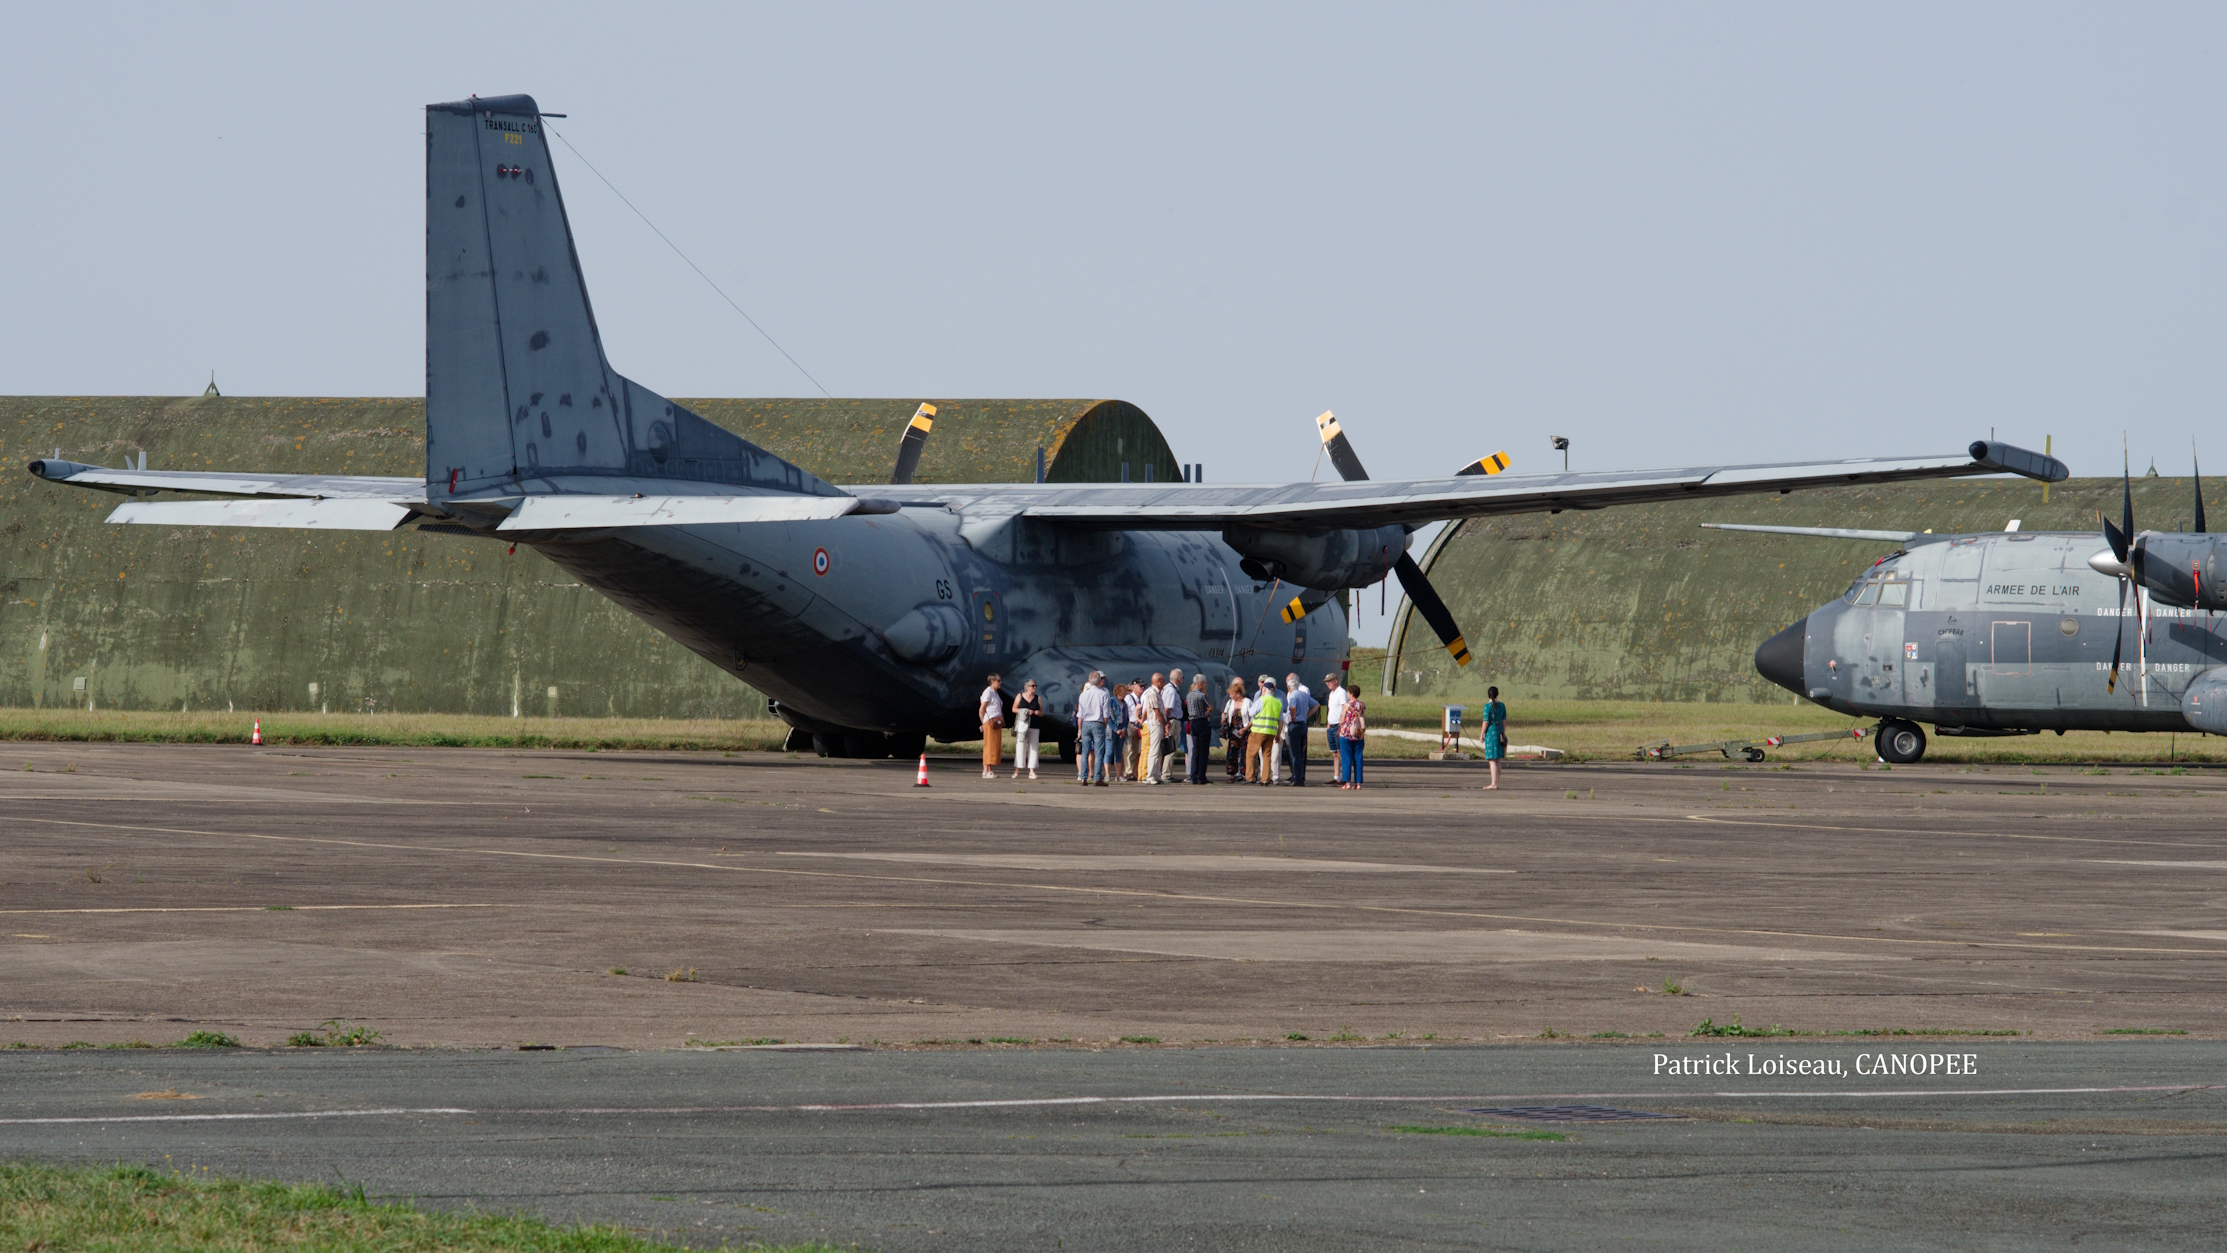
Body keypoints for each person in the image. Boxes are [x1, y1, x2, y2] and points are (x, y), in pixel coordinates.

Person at [1075, 671, 1111, 786]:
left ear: (1089, 680)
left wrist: (1079, 729)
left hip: (1086, 723)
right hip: (1097, 722)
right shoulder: (1103, 694)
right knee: (1099, 752)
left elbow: (1080, 715)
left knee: (1085, 752)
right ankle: (1097, 778)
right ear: (1099, 680)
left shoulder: (1083, 695)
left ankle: (1083, 777)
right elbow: (1106, 714)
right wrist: (1104, 726)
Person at [1246, 676, 1283, 785]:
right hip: (1271, 732)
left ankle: (1249, 777)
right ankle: (1265, 779)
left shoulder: (1261, 700)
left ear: (1264, 690)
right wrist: (1278, 734)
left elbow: (1251, 712)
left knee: (1251, 754)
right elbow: (1281, 720)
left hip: (1258, 731)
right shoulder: (1278, 703)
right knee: (1267, 755)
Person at [1282, 672, 1317, 787]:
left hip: (1295, 725)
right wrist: (1306, 715)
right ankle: (1301, 777)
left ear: (1288, 687)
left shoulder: (1293, 695)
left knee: (1295, 753)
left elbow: (1292, 707)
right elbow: (1316, 705)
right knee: (1301, 753)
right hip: (1303, 724)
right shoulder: (1304, 694)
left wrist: (1292, 717)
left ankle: (1297, 778)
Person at [1009, 679, 1043, 780]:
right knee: (1020, 746)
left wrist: (1037, 713)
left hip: (1034, 725)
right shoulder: (1020, 696)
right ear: (1026, 687)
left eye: (1035, 686)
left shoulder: (1038, 698)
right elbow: (1014, 709)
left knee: (1034, 748)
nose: (1034, 688)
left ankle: (1032, 771)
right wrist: (1025, 711)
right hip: (1022, 724)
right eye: (1032, 686)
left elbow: (1042, 712)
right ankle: (1017, 770)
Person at [1184, 675, 1214, 783]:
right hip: (1202, 722)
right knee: (1203, 750)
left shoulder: (1189, 695)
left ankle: (1193, 775)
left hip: (1192, 722)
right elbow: (1210, 706)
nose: (1206, 685)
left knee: (1195, 749)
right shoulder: (1202, 695)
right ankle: (1201, 776)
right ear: (1200, 684)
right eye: (1205, 683)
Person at [1337, 688, 1367, 789]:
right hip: (1359, 734)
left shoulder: (1346, 705)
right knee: (1358, 758)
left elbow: (1342, 720)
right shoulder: (1362, 705)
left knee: (1346, 758)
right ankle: (1358, 783)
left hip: (1346, 734)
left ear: (1351, 694)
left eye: (1348, 693)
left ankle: (1347, 782)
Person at [1322, 672, 1349, 785]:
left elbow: (1345, 709)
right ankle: (1336, 777)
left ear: (1335, 681)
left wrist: (1341, 726)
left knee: (1341, 752)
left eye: (1329, 681)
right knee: (1334, 753)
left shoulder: (1341, 692)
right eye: (1326, 682)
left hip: (1338, 725)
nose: (1328, 683)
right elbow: (1331, 710)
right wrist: (1328, 725)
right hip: (1331, 726)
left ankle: (1345, 777)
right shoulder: (1331, 694)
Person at [1142, 672, 1168, 784]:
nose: (1164, 682)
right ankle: (1151, 775)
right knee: (1154, 750)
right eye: (1162, 680)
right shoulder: (1152, 693)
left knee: (1158, 751)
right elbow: (1157, 712)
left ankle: (1157, 774)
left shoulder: (1158, 693)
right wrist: (1165, 723)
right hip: (1156, 724)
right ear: (1158, 681)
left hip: (1158, 724)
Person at [1221, 678, 1250, 781]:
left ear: (1238, 694)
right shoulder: (1230, 702)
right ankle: (1232, 775)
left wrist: (1245, 729)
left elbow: (1252, 718)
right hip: (1233, 731)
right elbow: (1225, 713)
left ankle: (1243, 774)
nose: (1230, 696)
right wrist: (1224, 720)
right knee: (1232, 752)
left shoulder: (1247, 702)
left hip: (1245, 731)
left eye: (1232, 694)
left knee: (1244, 753)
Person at [1480, 684, 1508, 791]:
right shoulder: (1502, 705)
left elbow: (1486, 722)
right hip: (1500, 732)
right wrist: (1503, 733)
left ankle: (1493, 783)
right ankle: (1496, 782)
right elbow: (1504, 721)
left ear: (1488, 694)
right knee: (1498, 760)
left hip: (1491, 734)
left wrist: (1482, 734)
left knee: (1491, 759)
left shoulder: (1487, 707)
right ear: (1497, 694)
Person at [978, 673, 1005, 780]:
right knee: (989, 745)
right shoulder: (988, 692)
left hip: (997, 722)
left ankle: (989, 769)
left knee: (994, 745)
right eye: (999, 680)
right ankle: (985, 770)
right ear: (992, 681)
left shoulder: (995, 693)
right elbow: (981, 710)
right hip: (990, 722)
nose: (1000, 682)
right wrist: (983, 723)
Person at [1162, 667, 1186, 777]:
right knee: (1171, 748)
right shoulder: (1171, 691)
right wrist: (1165, 724)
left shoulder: (1167, 688)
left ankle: (1166, 773)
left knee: (1169, 747)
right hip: (1172, 721)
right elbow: (1167, 709)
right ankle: (1166, 774)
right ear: (1179, 679)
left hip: (1172, 720)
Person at [1121, 680, 1145, 782]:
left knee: (1135, 750)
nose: (1142, 688)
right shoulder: (1128, 698)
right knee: (1128, 749)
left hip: (1138, 726)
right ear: (1134, 687)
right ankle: (1127, 771)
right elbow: (1124, 712)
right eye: (1140, 686)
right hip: (1130, 725)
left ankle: (1132, 771)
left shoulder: (1141, 699)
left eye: (1143, 686)